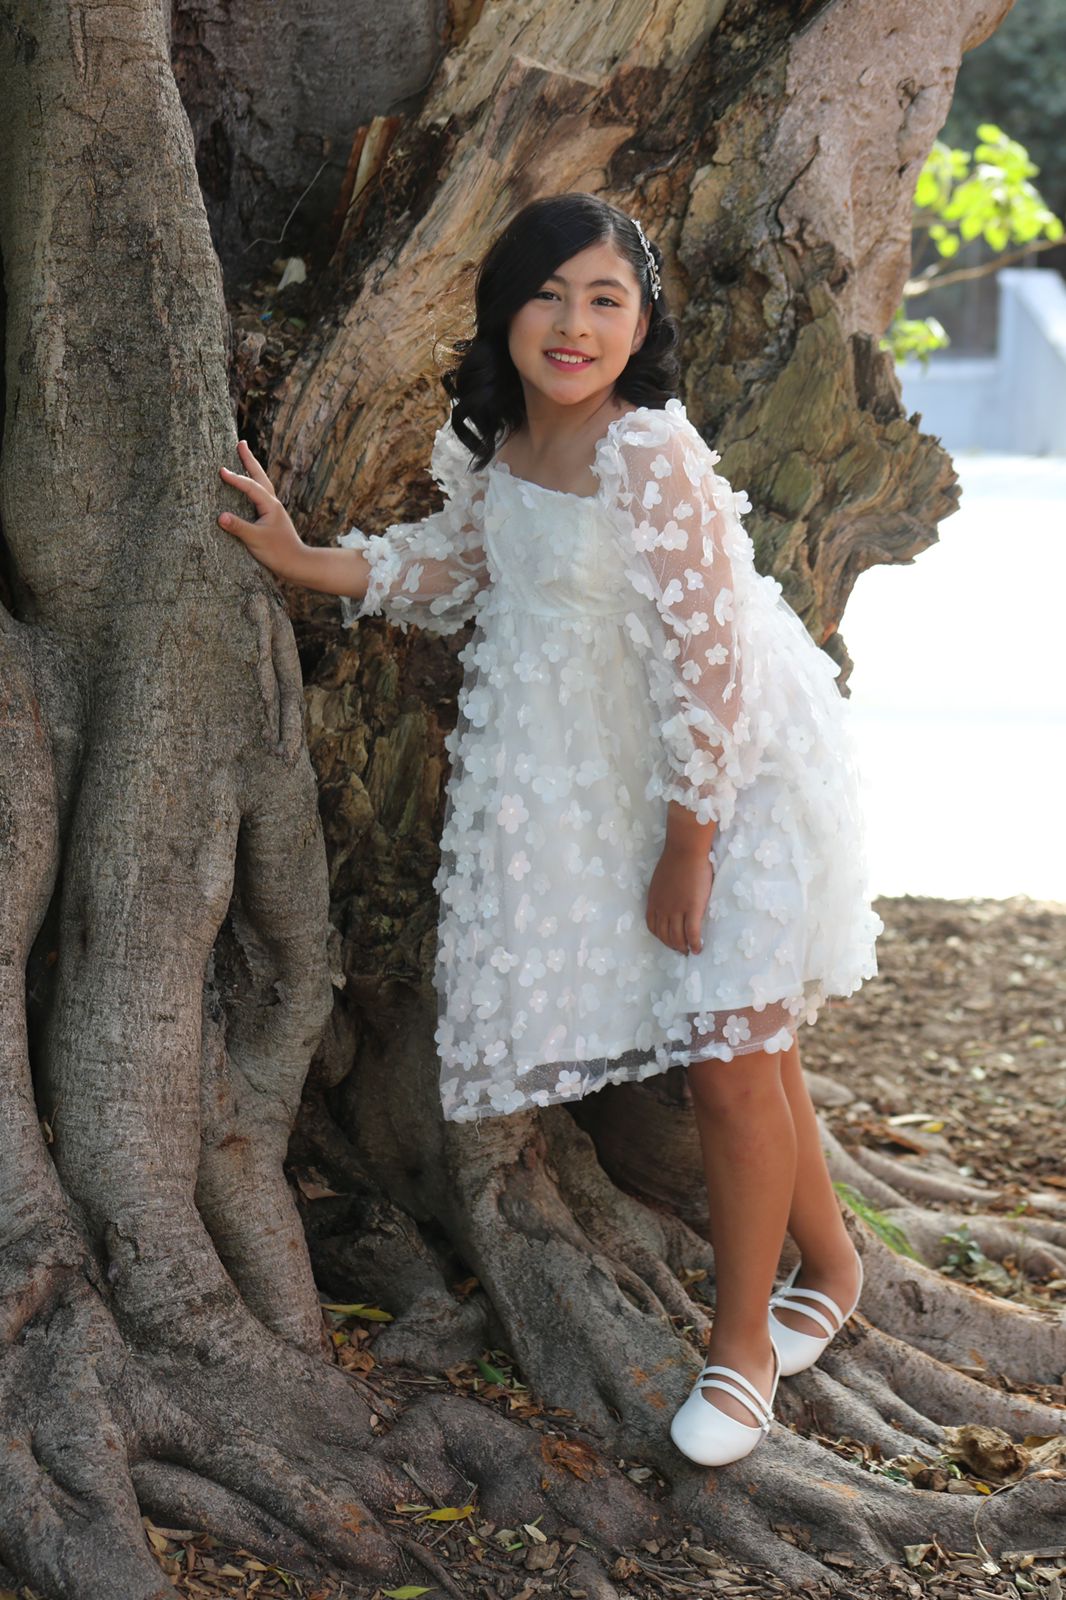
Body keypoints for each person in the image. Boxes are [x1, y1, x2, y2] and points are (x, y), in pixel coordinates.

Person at [216, 192, 883, 1470]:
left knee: (731, 1055)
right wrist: (308, 561)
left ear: (640, 326)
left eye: (603, 300)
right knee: (751, 1043)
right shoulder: (503, 446)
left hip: (728, 775)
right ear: (504, 311)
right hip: (615, 783)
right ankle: (835, 1264)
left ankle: (741, 1346)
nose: (572, 324)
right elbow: (458, 566)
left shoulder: (649, 452)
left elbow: (712, 672)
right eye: (547, 294)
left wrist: (690, 843)